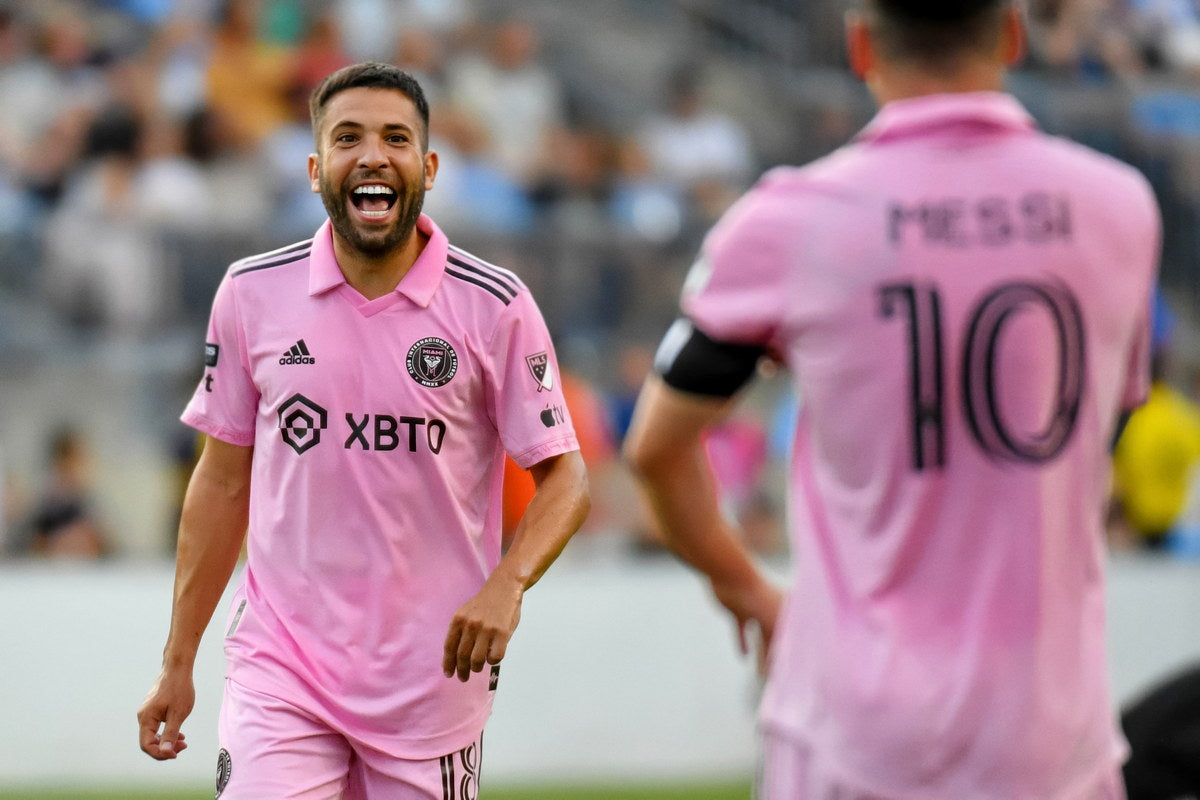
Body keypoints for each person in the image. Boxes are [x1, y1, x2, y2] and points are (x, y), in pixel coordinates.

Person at [623, 2, 1160, 798]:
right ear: (1013, 35)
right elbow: (1107, 427)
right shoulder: (1119, 206)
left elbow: (655, 448)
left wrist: (744, 586)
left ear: (860, 45)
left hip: (856, 737)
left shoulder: (790, 221)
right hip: (1053, 739)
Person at [137, 62, 589, 799]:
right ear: (316, 169)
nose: (373, 155)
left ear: (429, 168)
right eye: (347, 138)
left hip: (432, 682)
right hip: (280, 667)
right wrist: (178, 660)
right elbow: (220, 483)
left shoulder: (495, 305)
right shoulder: (251, 292)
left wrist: (508, 584)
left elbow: (566, 477)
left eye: (395, 138)